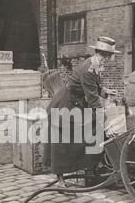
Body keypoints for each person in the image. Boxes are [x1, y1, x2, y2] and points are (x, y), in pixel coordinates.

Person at [42, 36, 120, 187]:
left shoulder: (94, 64)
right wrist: (106, 121)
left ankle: (91, 166)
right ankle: (61, 179)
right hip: (64, 106)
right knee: (64, 143)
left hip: (74, 104)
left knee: (89, 132)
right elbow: (93, 100)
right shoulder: (89, 69)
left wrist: (105, 92)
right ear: (100, 54)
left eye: (108, 56)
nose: (108, 60)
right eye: (106, 56)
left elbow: (93, 87)